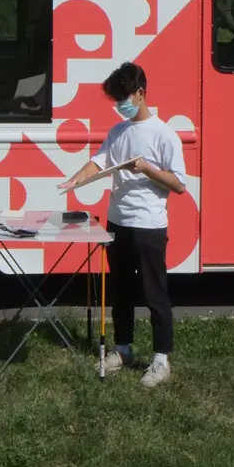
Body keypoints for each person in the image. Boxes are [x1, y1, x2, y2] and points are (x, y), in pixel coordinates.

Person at [57, 62, 187, 388]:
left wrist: (145, 168)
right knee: (121, 291)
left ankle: (160, 359)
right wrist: (74, 181)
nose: (120, 106)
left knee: (154, 292)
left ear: (141, 93)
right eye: (116, 101)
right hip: (118, 222)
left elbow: (179, 184)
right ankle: (123, 349)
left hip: (149, 225)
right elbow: (99, 162)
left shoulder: (164, 134)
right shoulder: (118, 132)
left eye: (124, 98)